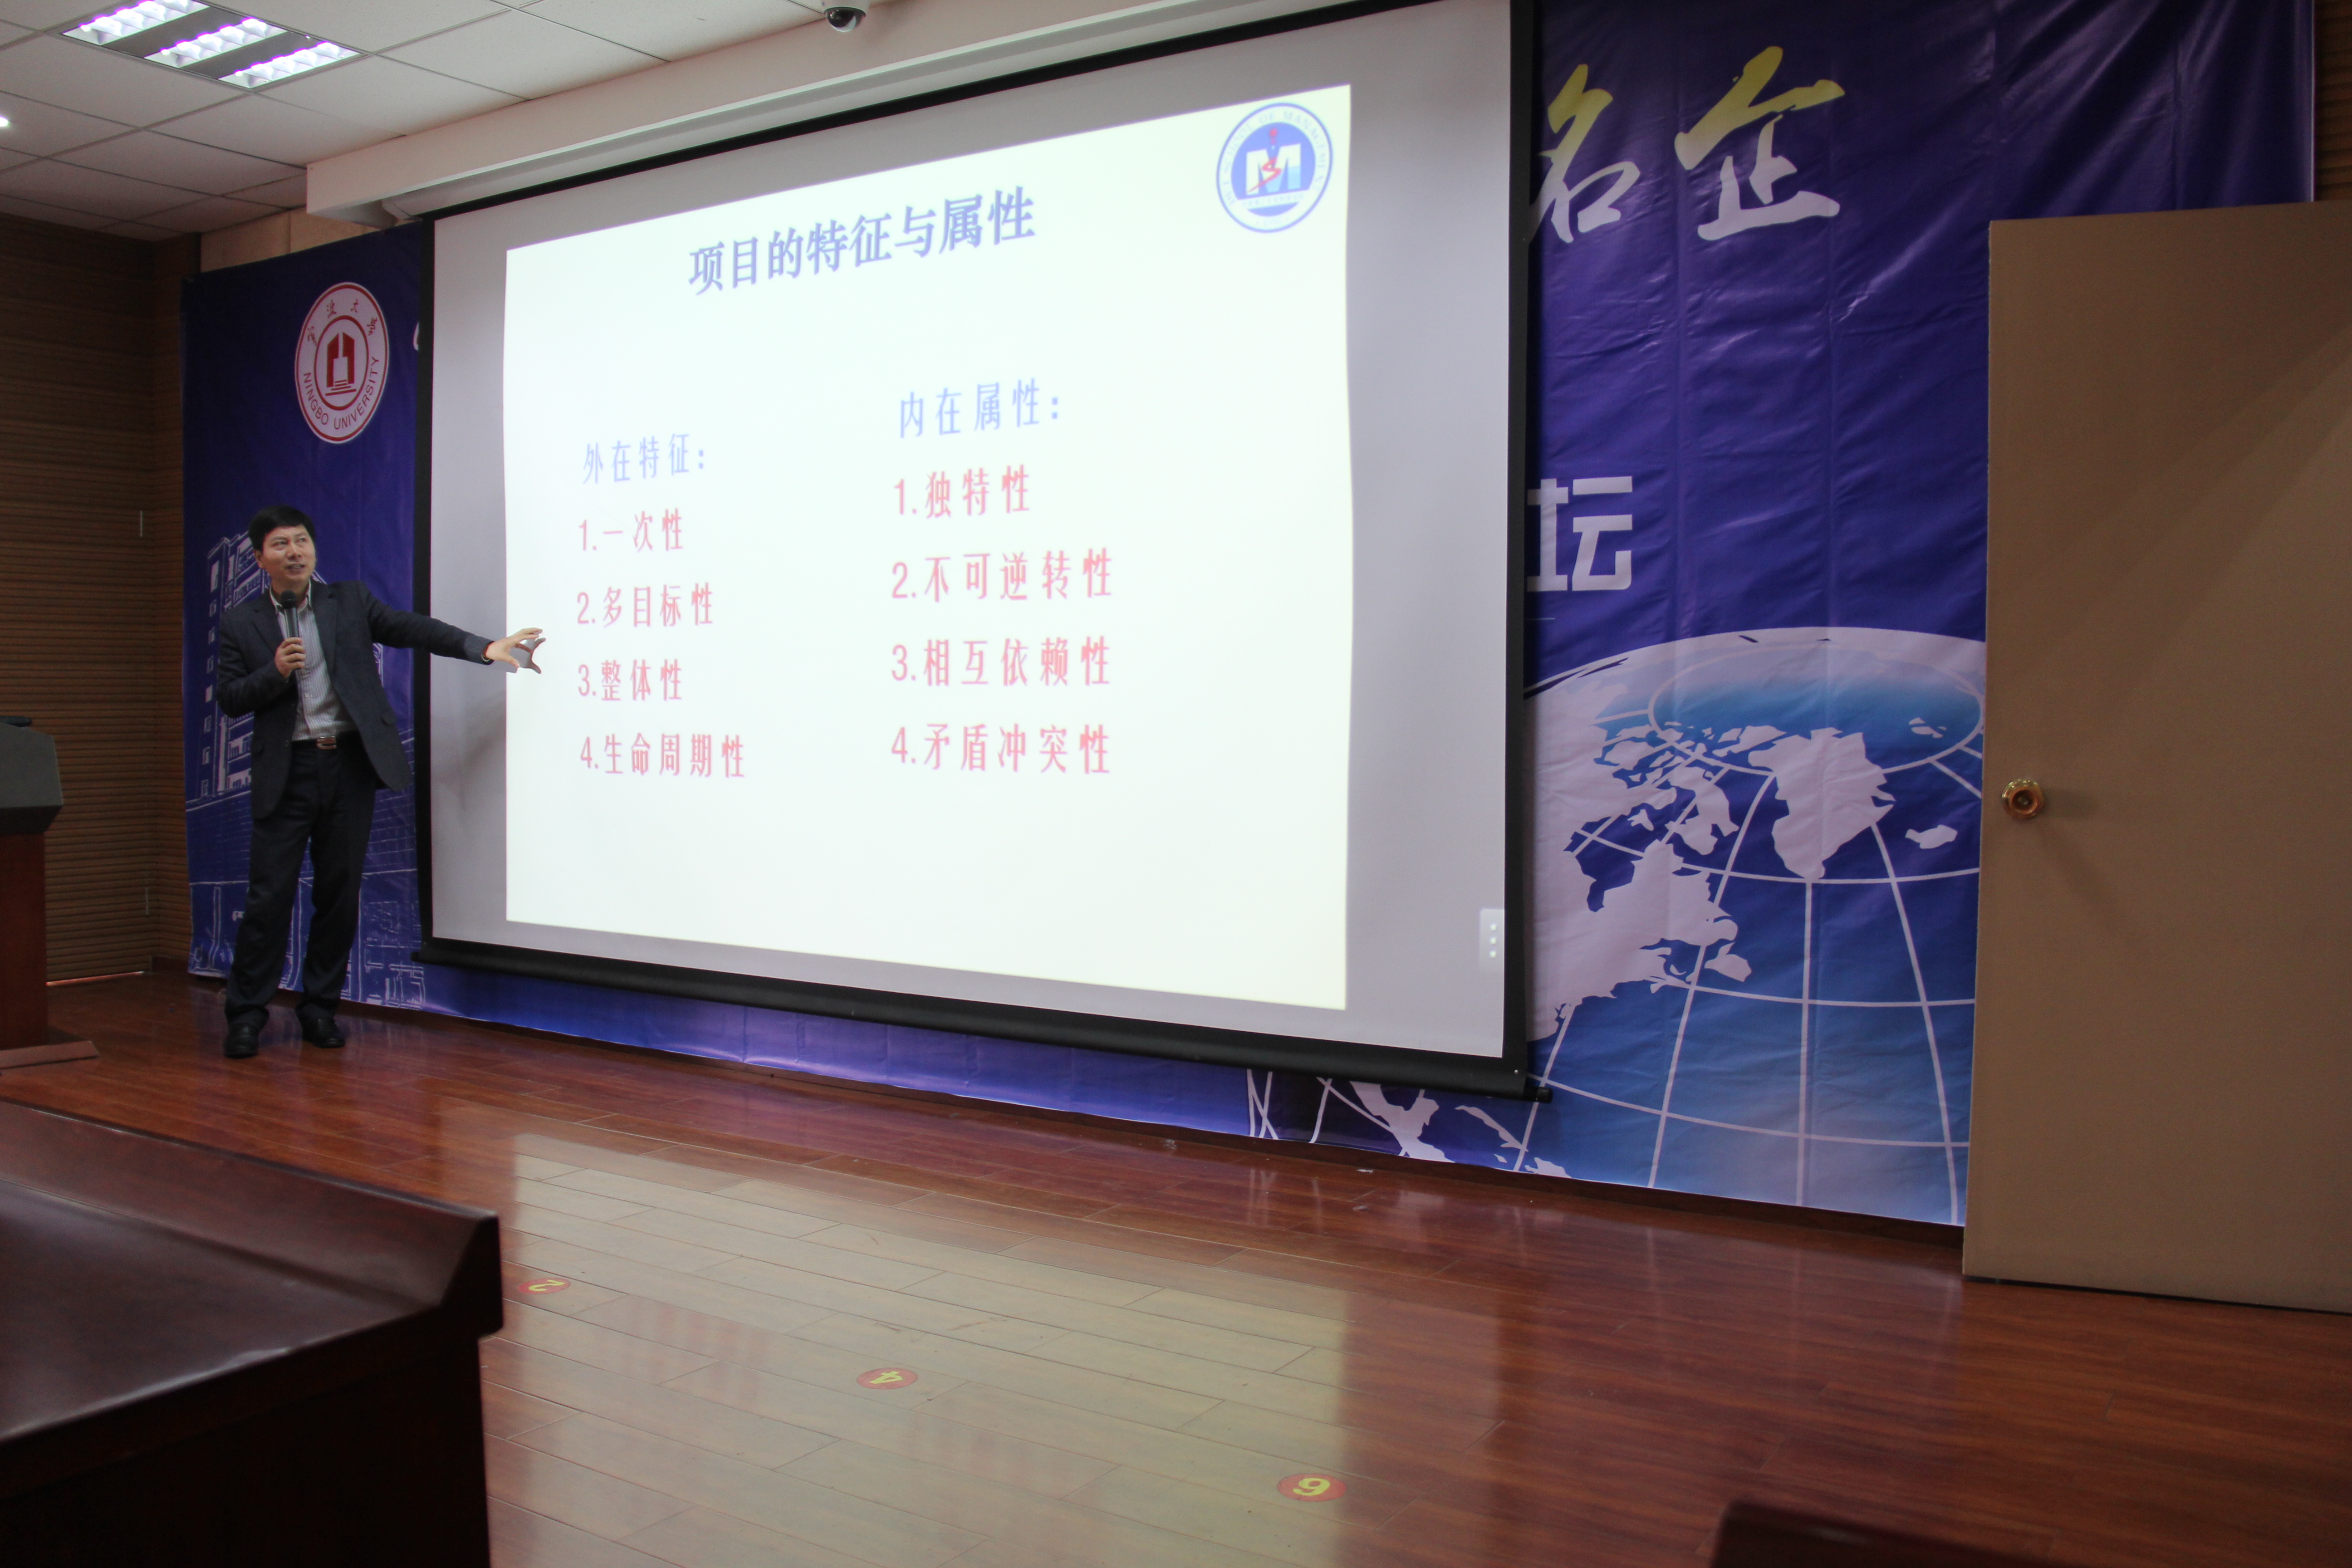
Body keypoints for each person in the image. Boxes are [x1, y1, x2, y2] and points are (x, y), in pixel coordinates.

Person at [215, 505, 541, 1059]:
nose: (295, 552)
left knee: (339, 896)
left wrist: (485, 649)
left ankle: (320, 1009)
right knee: (268, 900)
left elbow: (412, 629)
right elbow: (229, 698)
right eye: (281, 544)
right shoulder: (242, 622)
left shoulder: (348, 601)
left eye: (302, 541)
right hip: (287, 773)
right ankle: (247, 1015)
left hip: (347, 767)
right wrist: (275, 672)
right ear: (260, 557)